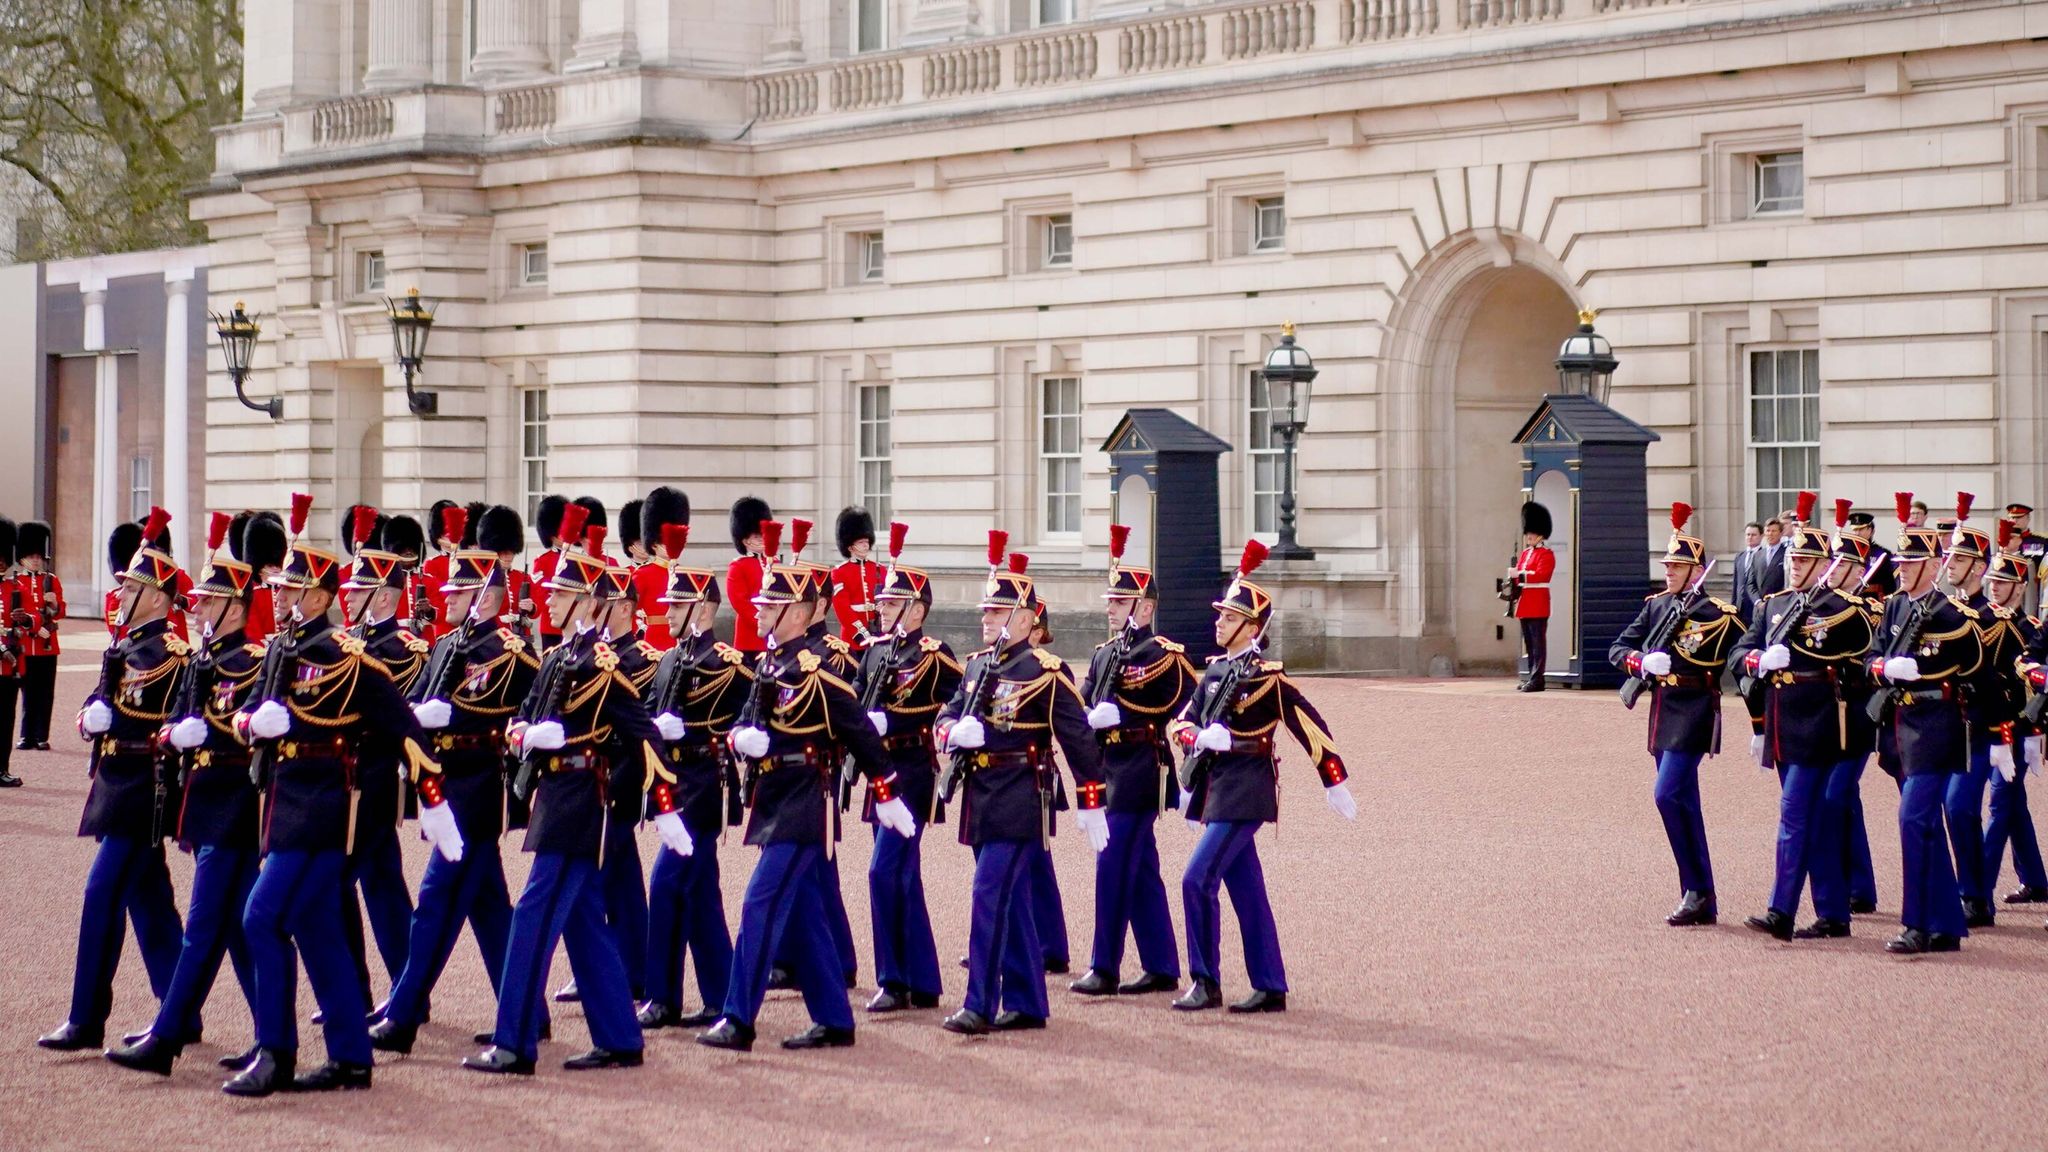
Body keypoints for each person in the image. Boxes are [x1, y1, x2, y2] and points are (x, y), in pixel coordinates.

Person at [223, 496, 451, 1095]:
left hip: (328, 807)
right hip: (284, 803)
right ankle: (351, 1055)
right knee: (316, 924)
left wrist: (434, 798)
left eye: (294, 591)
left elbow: (406, 728)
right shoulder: (280, 649)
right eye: (279, 590)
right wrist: (253, 725)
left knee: (262, 918)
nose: (280, 599)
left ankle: (277, 1051)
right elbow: (244, 716)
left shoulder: (350, 661)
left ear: (322, 598)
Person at [466, 505, 674, 1076]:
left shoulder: (603, 664)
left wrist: (665, 805)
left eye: (560, 595)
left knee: (533, 918)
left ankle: (514, 1041)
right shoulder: (559, 656)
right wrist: (526, 733)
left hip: (583, 802)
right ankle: (619, 1034)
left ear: (586, 601)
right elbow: (525, 717)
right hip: (553, 797)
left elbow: (644, 735)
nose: (549, 602)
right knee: (583, 922)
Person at [697, 557, 901, 1053]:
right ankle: (834, 1017)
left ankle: (738, 1017)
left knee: (759, 904)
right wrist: (743, 736)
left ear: (796, 612)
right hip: (772, 801)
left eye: (770, 603)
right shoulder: (768, 663)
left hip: (804, 803)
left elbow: (859, 731)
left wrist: (887, 790)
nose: (760, 608)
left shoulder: (817, 672)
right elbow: (749, 717)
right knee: (805, 917)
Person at [370, 512, 541, 1055]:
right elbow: (416, 699)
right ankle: (529, 1013)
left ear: (485, 596)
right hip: (446, 783)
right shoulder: (445, 644)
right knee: (490, 911)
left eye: (458, 591)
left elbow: (502, 705)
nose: (445, 599)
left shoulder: (508, 650)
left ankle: (403, 1015)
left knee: (435, 901)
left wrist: (453, 714)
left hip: (477, 784)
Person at [105, 515, 267, 1076]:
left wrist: (207, 731)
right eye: (196, 601)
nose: (195, 609)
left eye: (207, 602)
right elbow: (174, 719)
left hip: (233, 806)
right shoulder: (205, 660)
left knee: (206, 927)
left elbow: (249, 725)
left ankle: (167, 1038)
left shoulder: (247, 662)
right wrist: (173, 732)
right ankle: (272, 1036)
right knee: (245, 928)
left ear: (235, 609)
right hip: (207, 807)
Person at [1168, 540, 1355, 1013]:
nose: (1218, 624)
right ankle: (1270, 983)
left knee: (1196, 880)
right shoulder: (1212, 673)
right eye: (1221, 617)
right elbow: (1181, 722)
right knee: (1247, 891)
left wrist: (1333, 779)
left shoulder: (1266, 677)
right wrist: (1196, 741)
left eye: (1229, 619)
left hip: (1247, 791)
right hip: (1216, 791)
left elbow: (1307, 724)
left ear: (1252, 627)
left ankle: (1205, 981)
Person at [929, 540, 1108, 1035]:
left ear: (1028, 619)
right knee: (1012, 902)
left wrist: (1092, 802)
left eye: (1001, 610)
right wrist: (949, 733)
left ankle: (979, 1004)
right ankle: (1028, 1001)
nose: (988, 617)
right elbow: (944, 715)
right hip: (979, 796)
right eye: (987, 609)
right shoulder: (976, 664)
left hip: (1020, 795)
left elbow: (1078, 738)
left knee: (989, 896)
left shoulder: (1045, 671)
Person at [37, 511, 188, 1055]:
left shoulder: (171, 654)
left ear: (154, 595)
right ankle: (179, 1005)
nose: (119, 591)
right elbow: (101, 697)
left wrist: (112, 718)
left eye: (130, 585)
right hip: (114, 782)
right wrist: (88, 717)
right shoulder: (124, 646)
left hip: (140, 788)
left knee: (102, 894)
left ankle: (86, 1018)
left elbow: (166, 716)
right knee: (146, 897)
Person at [1729, 496, 1873, 941]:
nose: (1795, 564)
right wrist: (1757, 660)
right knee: (1819, 820)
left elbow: (1856, 645)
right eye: (1793, 556)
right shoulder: (1774, 605)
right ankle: (1833, 914)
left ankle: (1781, 910)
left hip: (1819, 722)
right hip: (1782, 722)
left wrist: (1794, 652)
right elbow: (1738, 651)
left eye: (1806, 558)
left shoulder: (1841, 609)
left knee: (1793, 815)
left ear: (1823, 564)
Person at [1072, 524, 1197, 998]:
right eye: (1110, 601)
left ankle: (1104, 965)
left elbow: (1192, 705)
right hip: (1108, 766)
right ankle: (1162, 963)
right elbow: (1083, 703)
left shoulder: (1162, 654)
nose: (1111, 608)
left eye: (1120, 603)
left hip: (1142, 767)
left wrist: (1190, 774)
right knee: (1141, 867)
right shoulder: (1105, 653)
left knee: (1113, 863)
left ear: (1144, 608)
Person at [1609, 503, 1745, 927]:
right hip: (1663, 710)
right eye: (1667, 564)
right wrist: (1640, 663)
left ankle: (1695, 888)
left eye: (1678, 565)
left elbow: (1743, 652)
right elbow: (1616, 648)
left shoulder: (1719, 616)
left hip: (1695, 710)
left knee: (1666, 794)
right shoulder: (1656, 607)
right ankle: (1700, 893)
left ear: (1697, 571)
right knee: (1684, 803)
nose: (1669, 571)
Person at [1864, 491, 1986, 954]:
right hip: (1899, 725)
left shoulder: (1954, 616)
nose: (1903, 569)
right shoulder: (1894, 607)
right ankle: (1948, 925)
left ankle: (1916, 923)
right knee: (1927, 826)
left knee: (1913, 818)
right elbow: (1870, 656)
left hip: (1937, 727)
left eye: (1914, 563)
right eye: (1901, 562)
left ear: (1933, 566)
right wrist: (1883, 669)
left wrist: (2000, 737)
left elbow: (1982, 680)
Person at [638, 524, 747, 1031]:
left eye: (678, 607)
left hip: (703, 783)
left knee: (667, 886)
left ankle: (663, 997)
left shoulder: (726, 663)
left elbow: (755, 708)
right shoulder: (668, 659)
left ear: (703, 610)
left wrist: (706, 728)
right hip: (672, 785)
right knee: (699, 892)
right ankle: (720, 994)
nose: (669, 613)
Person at [855, 523, 962, 1014]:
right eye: (881, 602)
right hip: (879, 770)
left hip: (913, 771)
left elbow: (961, 701)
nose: (882, 609)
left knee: (884, 872)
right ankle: (923, 980)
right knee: (902, 876)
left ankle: (893, 978)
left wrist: (902, 719)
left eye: (892, 604)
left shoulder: (934, 657)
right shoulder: (875, 652)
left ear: (917, 610)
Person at [337, 509, 430, 1016]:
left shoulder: (404, 649)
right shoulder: (351, 644)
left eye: (359, 590)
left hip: (376, 779)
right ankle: (399, 992)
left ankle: (369, 992)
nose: (347, 597)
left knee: (343, 885)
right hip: (346, 778)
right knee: (381, 887)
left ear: (385, 596)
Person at [1935, 497, 2005, 927]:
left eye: (1959, 558)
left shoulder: (1989, 618)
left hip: (1978, 727)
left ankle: (1975, 895)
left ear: (1979, 566)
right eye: (1949, 556)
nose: (1951, 564)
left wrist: (2002, 736)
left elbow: (1994, 680)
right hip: (1944, 726)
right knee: (1946, 809)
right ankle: (1966, 892)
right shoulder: (1945, 611)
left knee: (1961, 807)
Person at [1980, 523, 2047, 906]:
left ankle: (1976, 889)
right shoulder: (1981, 622)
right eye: (1992, 582)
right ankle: (2036, 880)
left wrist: (2036, 731)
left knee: (1999, 804)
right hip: (1988, 723)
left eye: (2003, 584)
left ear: (2020, 588)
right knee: (2013, 805)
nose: (1995, 589)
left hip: (2017, 726)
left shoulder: (2029, 628)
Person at [15, 519, 63, 750]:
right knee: (27, 693)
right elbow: (16, 613)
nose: (36, 560)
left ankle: (41, 735)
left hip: (47, 646)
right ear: (22, 558)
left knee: (45, 693)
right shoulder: (16, 582)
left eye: (38, 556)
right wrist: (34, 627)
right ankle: (26, 735)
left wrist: (54, 605)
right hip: (26, 645)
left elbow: (60, 611)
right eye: (31, 556)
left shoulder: (51, 581)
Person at [634, 486, 690, 651]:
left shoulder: (685, 574)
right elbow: (629, 611)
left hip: (680, 638)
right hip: (652, 640)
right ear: (654, 543)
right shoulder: (642, 574)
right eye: (664, 542)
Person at [1509, 502, 1554, 692]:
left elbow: (1543, 575)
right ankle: (1530, 676)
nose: (1529, 536)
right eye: (1528, 533)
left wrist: (1520, 575)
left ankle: (1538, 679)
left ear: (1541, 534)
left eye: (1532, 534)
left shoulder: (1547, 554)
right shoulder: (1526, 553)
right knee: (1529, 643)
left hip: (1538, 602)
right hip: (1525, 602)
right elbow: (1519, 573)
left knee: (1537, 643)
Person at [831, 506, 885, 644]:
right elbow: (842, 608)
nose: (866, 546)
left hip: (878, 632)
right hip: (853, 637)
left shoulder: (880, 569)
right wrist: (861, 633)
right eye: (861, 542)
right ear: (850, 547)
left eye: (867, 542)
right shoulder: (839, 572)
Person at [726, 497, 773, 652]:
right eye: (756, 536)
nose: (762, 539)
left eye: (763, 535)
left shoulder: (774, 564)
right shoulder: (738, 566)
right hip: (749, 634)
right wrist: (763, 620)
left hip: (774, 632)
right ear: (745, 540)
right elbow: (739, 602)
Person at [528, 495, 570, 651]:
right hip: (552, 627)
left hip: (575, 625)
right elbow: (539, 594)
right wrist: (532, 608)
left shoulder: (578, 560)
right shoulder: (543, 561)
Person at [0, 518, 22, 788]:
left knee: (5, 720)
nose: (2, 563)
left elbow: (31, 621)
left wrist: (26, 621)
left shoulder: (15, 589)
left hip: (8, 667)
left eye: (4, 558)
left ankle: (1, 768)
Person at [1734, 521, 1765, 623]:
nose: (1750, 537)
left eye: (1753, 535)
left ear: (1761, 536)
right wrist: (1733, 604)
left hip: (1756, 604)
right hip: (1740, 606)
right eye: (1748, 534)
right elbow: (1736, 583)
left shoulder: (1764, 556)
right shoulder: (1740, 556)